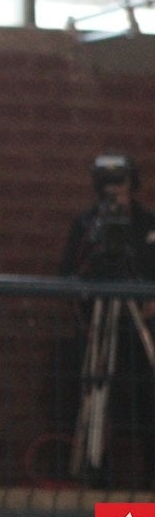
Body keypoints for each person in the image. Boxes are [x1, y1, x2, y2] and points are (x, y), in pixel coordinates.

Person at [59, 153, 155, 488]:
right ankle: (100, 494)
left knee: (147, 409)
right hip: (99, 331)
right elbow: (69, 276)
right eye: (108, 182)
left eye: (121, 181)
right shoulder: (87, 225)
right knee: (99, 405)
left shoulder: (148, 224)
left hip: (143, 336)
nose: (115, 189)